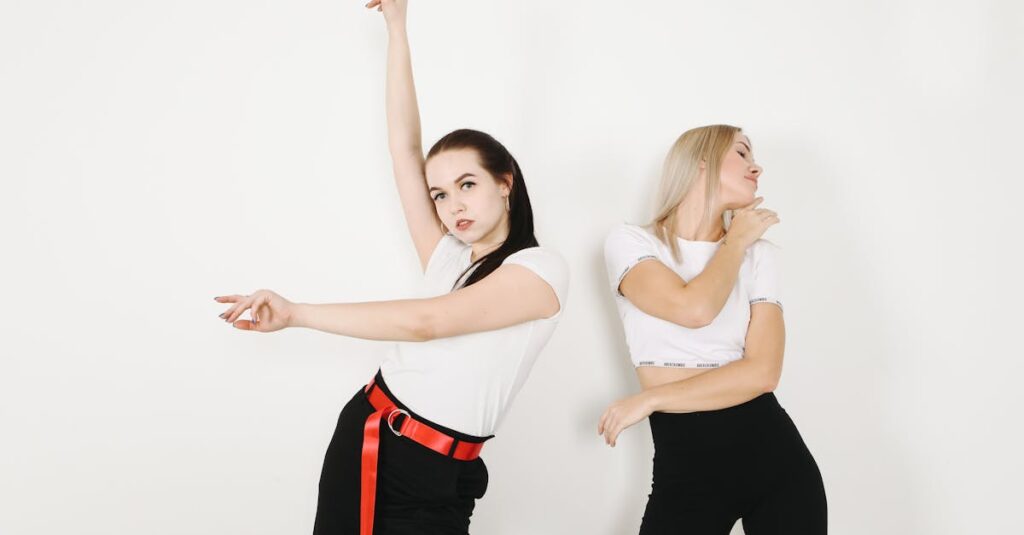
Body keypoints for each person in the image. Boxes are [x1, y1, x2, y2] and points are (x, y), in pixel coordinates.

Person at [215, 1, 569, 533]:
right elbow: (404, 149)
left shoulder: (541, 270)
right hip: (377, 443)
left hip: (448, 471)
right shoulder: (448, 255)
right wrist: (397, 26)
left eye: (467, 185)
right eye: (441, 195)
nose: (453, 207)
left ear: (505, 182)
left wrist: (297, 313)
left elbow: (426, 323)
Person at [598, 125, 827, 534]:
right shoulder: (633, 243)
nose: (756, 166)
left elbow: (763, 373)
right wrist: (734, 242)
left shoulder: (759, 255)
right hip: (685, 470)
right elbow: (694, 308)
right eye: (742, 153)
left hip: (775, 460)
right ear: (700, 163)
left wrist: (651, 399)